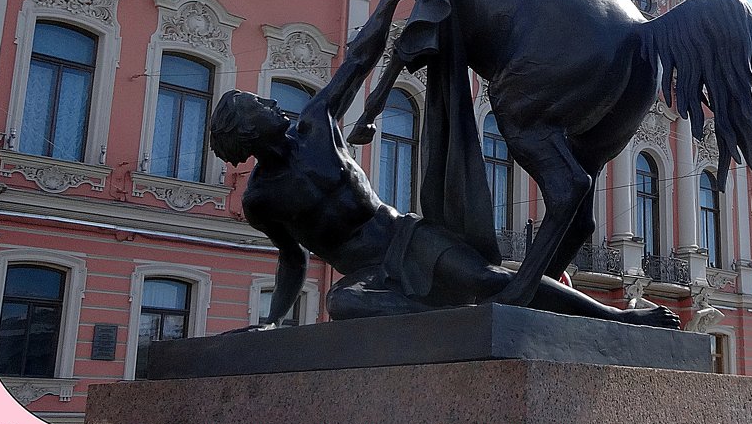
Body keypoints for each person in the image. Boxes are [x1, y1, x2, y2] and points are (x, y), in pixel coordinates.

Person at [209, 84, 679, 329]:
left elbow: (357, 61)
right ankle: (455, 325)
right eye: (255, 104)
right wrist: (271, 320)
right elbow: (293, 257)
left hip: (401, 237)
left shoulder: (316, 128)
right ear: (244, 132)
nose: (270, 102)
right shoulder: (261, 199)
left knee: (491, 281)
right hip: (364, 272)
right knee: (341, 301)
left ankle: (618, 316)